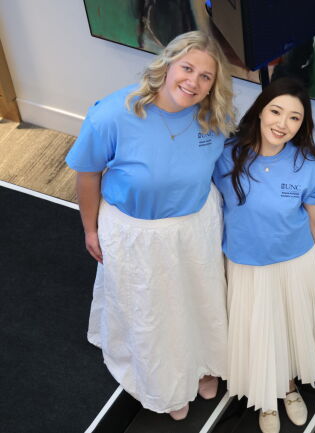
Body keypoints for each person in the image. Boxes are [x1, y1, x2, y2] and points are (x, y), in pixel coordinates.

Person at [65, 31, 236, 420]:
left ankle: (205, 363)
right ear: (168, 65)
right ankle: (164, 383)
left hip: (195, 225)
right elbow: (87, 175)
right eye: (187, 68)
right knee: (153, 309)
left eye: (205, 76)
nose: (193, 82)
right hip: (136, 233)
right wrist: (90, 229)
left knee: (200, 298)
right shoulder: (113, 114)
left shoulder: (216, 116)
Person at [213, 77, 315, 433]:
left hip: (294, 263)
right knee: (259, 332)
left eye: (294, 118)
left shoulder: (308, 165)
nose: (282, 124)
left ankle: (288, 389)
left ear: (303, 125)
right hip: (245, 265)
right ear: (260, 111)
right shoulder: (226, 155)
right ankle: (267, 399)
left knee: (286, 329)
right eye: (276, 111)